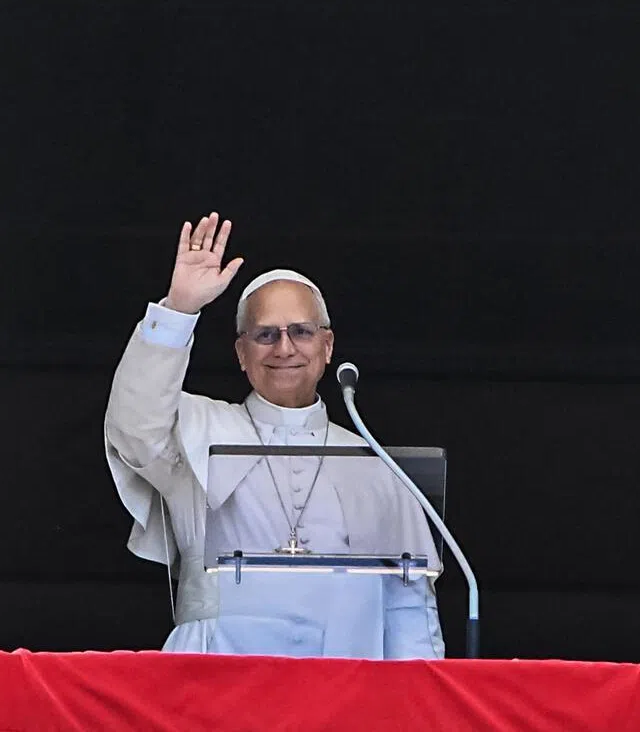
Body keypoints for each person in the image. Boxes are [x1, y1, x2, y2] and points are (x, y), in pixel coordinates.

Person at [104, 212, 443, 658]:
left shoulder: (371, 461)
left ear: (327, 347)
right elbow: (134, 424)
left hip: (342, 685)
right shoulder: (195, 432)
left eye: (301, 332)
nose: (284, 348)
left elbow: (408, 608)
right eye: (265, 334)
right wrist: (179, 309)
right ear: (241, 354)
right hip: (217, 681)